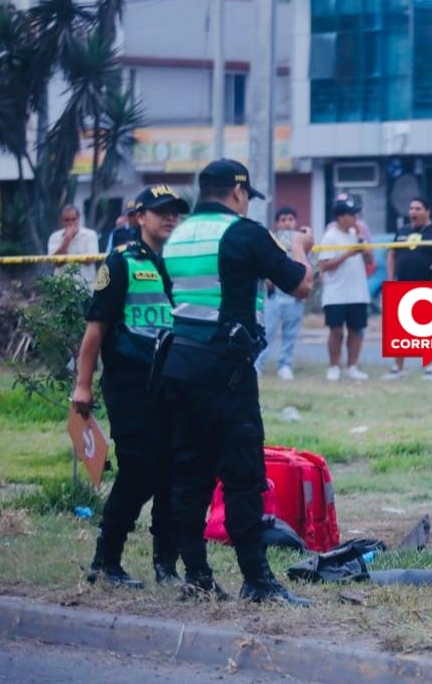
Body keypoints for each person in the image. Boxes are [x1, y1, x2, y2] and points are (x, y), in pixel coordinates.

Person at [160, 159, 315, 605]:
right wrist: (301, 245)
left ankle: (196, 573)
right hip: (226, 371)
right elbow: (300, 285)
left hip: (179, 365)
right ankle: (257, 579)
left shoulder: (178, 237)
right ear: (238, 192)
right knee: (243, 475)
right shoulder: (244, 232)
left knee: (189, 474)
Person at [71, 186, 190, 589]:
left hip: (171, 381)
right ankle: (106, 560)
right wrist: (82, 385)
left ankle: (165, 565)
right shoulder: (121, 262)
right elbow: (95, 330)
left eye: (175, 212)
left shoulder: (180, 263)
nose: (169, 218)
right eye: (160, 212)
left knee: (171, 471)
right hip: (128, 381)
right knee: (140, 470)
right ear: (140, 217)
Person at [383, 197, 432, 381]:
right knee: (399, 330)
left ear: (427, 211)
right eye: (411, 208)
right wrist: (391, 279)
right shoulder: (403, 231)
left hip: (427, 286)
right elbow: (392, 254)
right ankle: (398, 369)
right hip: (402, 283)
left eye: (418, 208)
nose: (413, 212)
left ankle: (430, 368)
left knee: (428, 329)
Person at [318, 196, 374, 381]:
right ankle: (334, 366)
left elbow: (370, 261)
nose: (355, 218)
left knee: (356, 330)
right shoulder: (330, 236)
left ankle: (353, 366)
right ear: (340, 217)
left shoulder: (358, 235)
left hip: (358, 292)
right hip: (336, 293)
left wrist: (363, 248)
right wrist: (348, 253)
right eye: (351, 214)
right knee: (336, 330)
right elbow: (325, 265)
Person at [254, 207, 306, 381]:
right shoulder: (271, 240)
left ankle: (285, 365)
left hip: (294, 297)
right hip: (274, 296)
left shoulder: (302, 242)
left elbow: (308, 266)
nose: (287, 223)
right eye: (283, 219)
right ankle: (258, 364)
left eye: (291, 219)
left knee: (290, 333)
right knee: (267, 332)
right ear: (277, 223)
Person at [48, 205, 101, 287]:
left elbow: (91, 260)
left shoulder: (90, 234)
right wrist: (66, 240)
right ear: (62, 221)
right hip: (62, 288)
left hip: (85, 288)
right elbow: (56, 263)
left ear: (78, 219)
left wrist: (67, 258)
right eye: (67, 220)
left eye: (73, 219)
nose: (71, 223)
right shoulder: (54, 237)